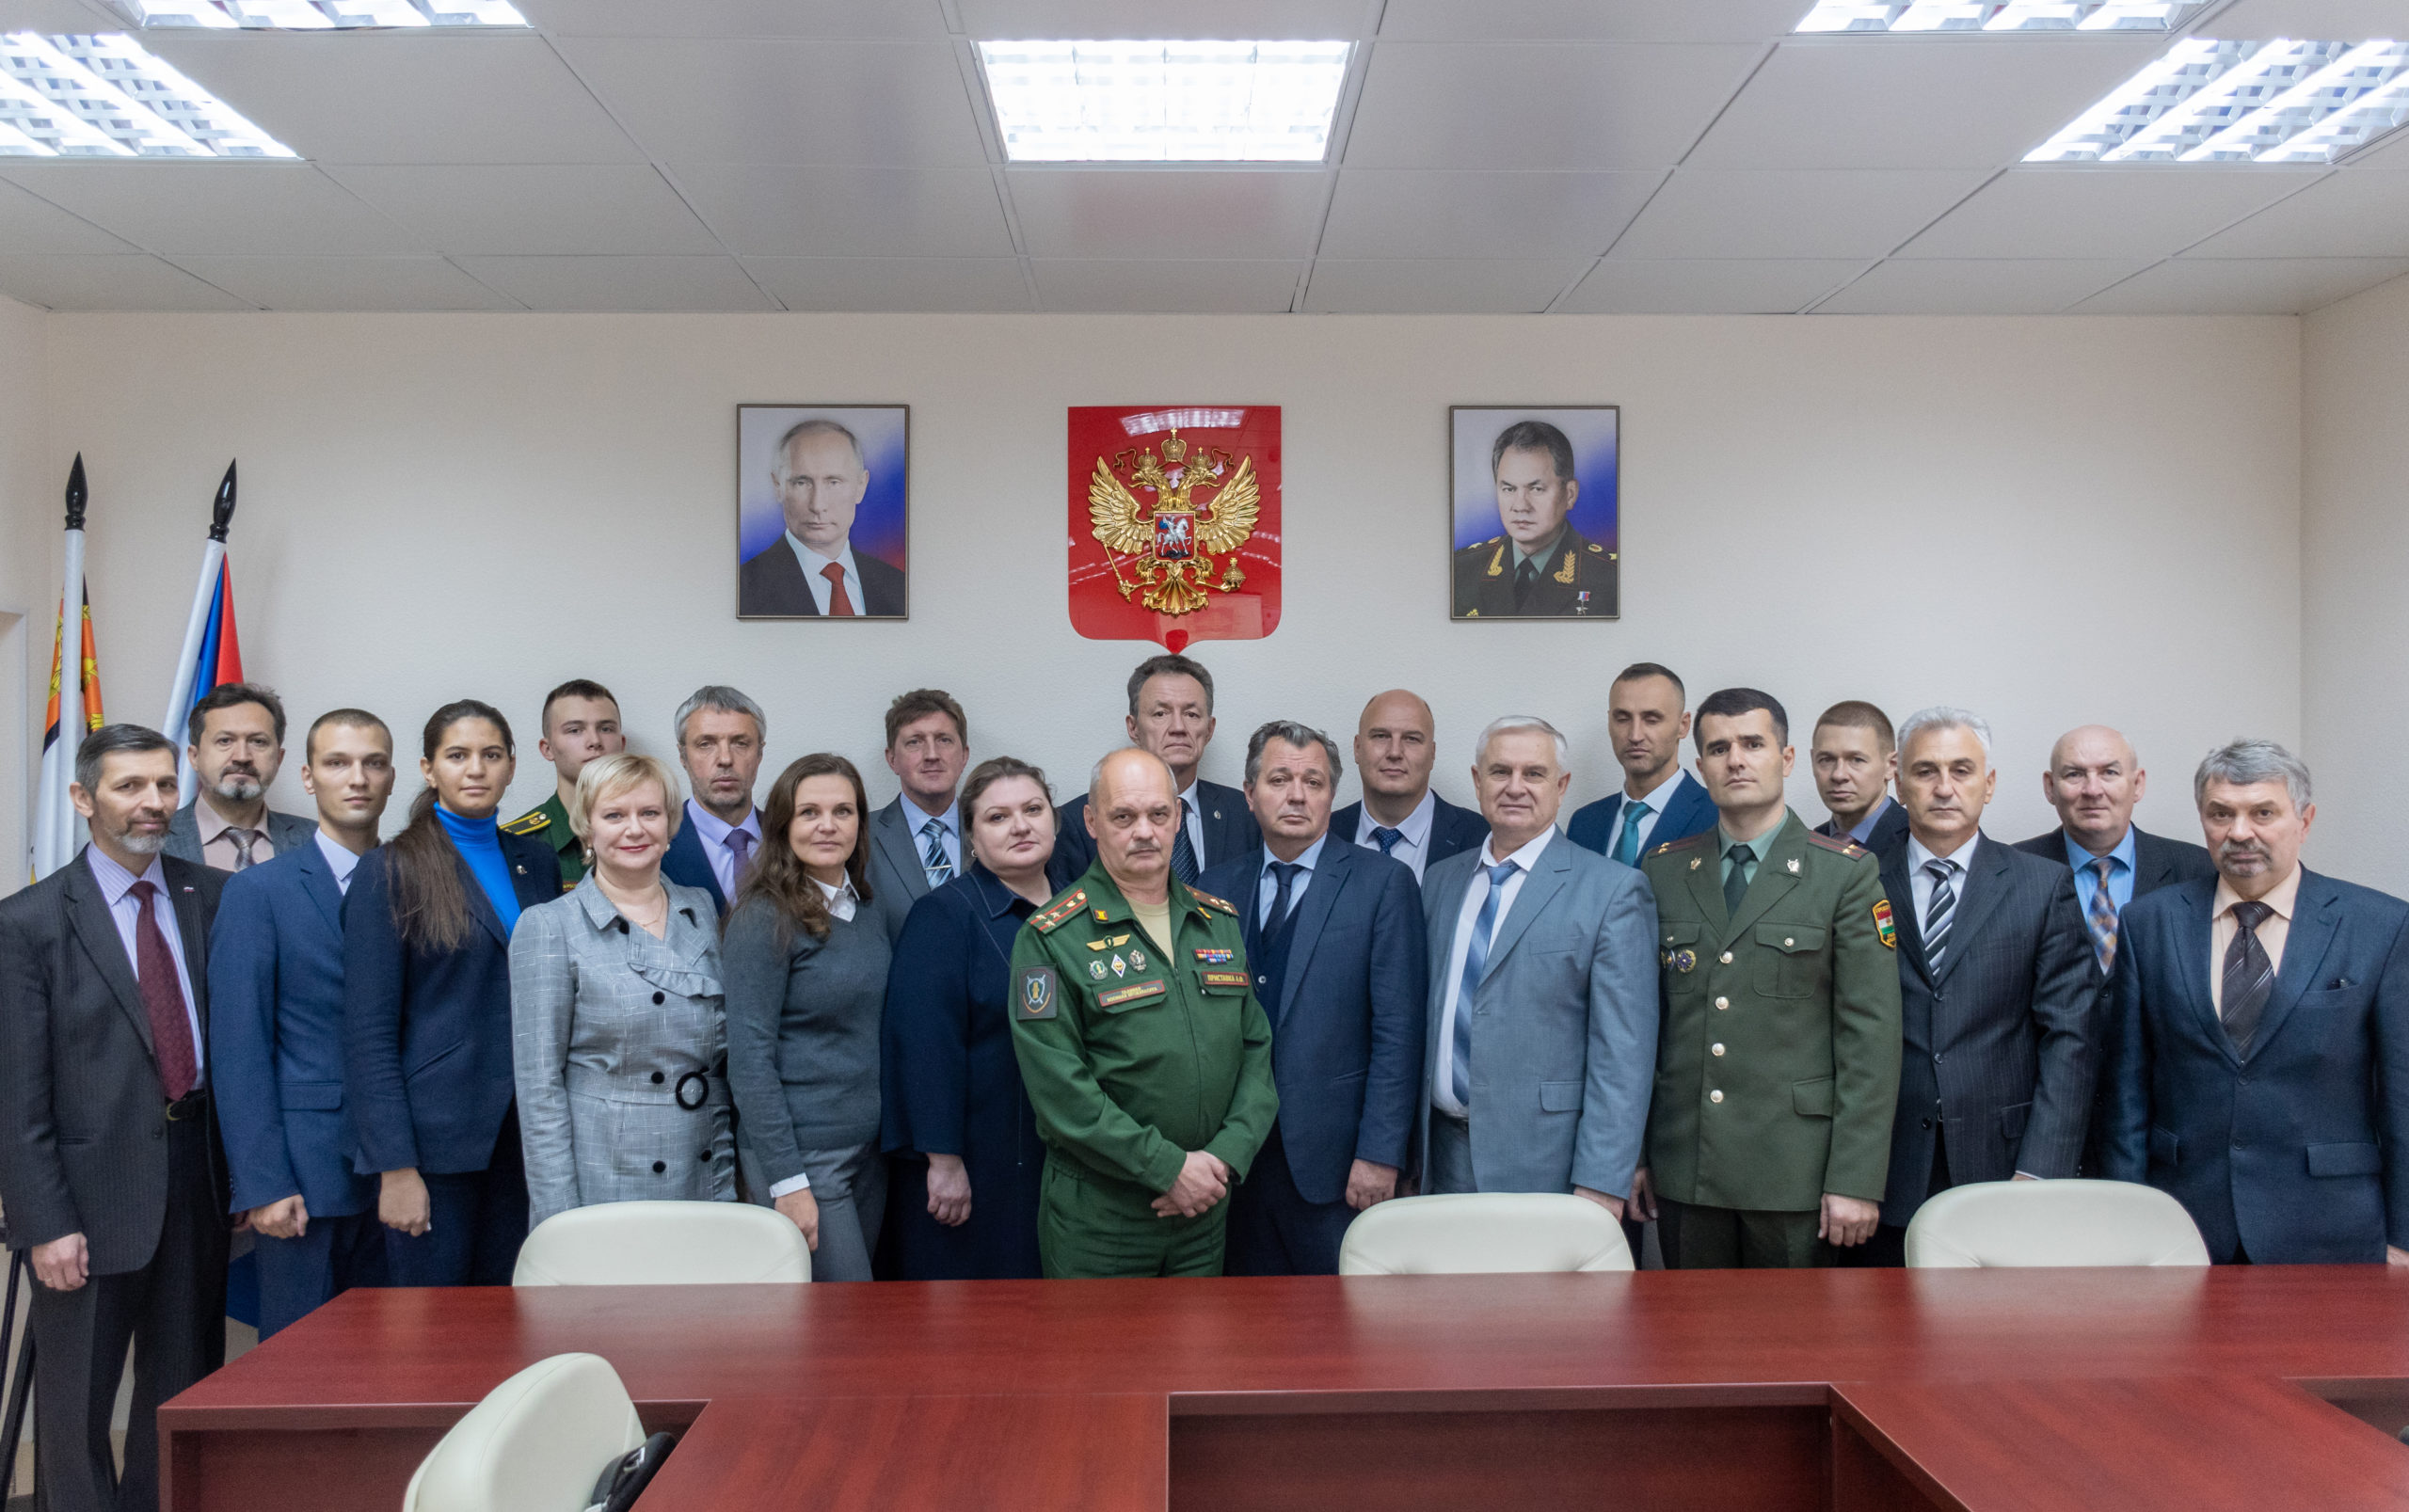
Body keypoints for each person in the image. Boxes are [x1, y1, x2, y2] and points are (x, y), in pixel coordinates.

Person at [0, 725, 228, 1512]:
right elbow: (17, 1094)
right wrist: (44, 1223)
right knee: (77, 1413)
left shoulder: (212, 896)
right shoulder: (28, 921)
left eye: (164, 784)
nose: (153, 801)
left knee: (181, 1398)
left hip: (197, 1186)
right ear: (82, 797)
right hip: (85, 1206)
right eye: (130, 786)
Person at [2105, 740, 2409, 1266]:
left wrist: (2404, 1238)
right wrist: (2127, 1224)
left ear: (2304, 820)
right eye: (2221, 814)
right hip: (2184, 1222)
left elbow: (2402, 1096)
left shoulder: (2380, 925)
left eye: (2263, 813)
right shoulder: (2149, 922)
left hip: (2332, 1226)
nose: (2240, 832)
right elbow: (2126, 1091)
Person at [1634, 689, 1901, 1269]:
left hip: (1795, 1174)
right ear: (1700, 764)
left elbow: (1871, 1043)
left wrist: (1855, 1179)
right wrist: (1635, 1153)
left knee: (1793, 1330)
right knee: (1691, 1326)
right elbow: (1642, 1029)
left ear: (1786, 758)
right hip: (1687, 1166)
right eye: (1718, 748)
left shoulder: (1843, 875)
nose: (1735, 760)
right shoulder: (1664, 870)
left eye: (1753, 744)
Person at [1010, 748, 1277, 1279]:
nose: (1144, 832)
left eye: (1158, 814)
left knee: (1201, 1337)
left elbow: (1255, 1051)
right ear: (1091, 822)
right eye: (1123, 816)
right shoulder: (1051, 937)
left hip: (1205, 1208)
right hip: (1104, 1219)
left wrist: (1223, 1159)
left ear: (1177, 818)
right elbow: (1061, 1091)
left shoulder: (1217, 922)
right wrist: (1168, 1168)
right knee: (1100, 1339)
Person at [1859, 708, 2098, 1266]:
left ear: (1988, 785)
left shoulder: (2043, 887)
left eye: (1962, 771)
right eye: (1925, 771)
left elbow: (2071, 1039)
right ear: (1898, 783)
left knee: (1994, 1322)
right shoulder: (1857, 880)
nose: (1944, 788)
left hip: (2005, 1166)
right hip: (1882, 1168)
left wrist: (2041, 1168)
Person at [344, 701, 560, 1287]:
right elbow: (368, 1035)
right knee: (434, 1327)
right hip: (434, 1148)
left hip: (526, 1141)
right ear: (429, 768)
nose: (476, 769)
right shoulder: (391, 869)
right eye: (458, 755)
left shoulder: (536, 861)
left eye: (491, 755)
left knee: (513, 1316)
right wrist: (395, 1167)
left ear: (512, 766)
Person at [1198, 722, 1426, 1275]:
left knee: (1339, 1319)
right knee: (1243, 1317)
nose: (1297, 795)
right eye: (1279, 780)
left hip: (1336, 1166)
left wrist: (1380, 1154)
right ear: (1250, 794)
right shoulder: (1213, 888)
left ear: (1331, 794)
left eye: (1313, 782)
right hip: (1231, 1161)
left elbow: (1399, 1033)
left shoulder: (1382, 883)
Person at [208, 709, 395, 1338]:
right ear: (309, 777)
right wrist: (262, 1182)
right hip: (305, 1176)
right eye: (338, 763)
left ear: (392, 777)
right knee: (301, 1367)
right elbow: (239, 1049)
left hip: (406, 1175)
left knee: (401, 1363)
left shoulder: (420, 881)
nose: (357, 778)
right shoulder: (259, 892)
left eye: (372, 763)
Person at [1419, 717, 1654, 1214]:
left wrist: (1602, 1180)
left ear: (1561, 786)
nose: (1515, 787)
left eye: (1534, 773)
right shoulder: (1440, 882)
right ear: (1477, 781)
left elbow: (1624, 1054)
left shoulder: (1612, 890)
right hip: (1439, 1156)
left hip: (1549, 1163)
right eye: (1500, 771)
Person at [509, 753, 731, 1231]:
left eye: (650, 813)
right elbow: (539, 1088)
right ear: (586, 828)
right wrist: (558, 1220)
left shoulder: (701, 909)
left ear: (670, 826)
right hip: (608, 1175)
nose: (635, 829)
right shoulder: (549, 926)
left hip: (706, 1165)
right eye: (614, 815)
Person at [881, 757, 1061, 1280]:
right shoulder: (944, 915)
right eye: (997, 817)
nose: (1020, 826)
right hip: (980, 1161)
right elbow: (924, 1047)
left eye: (1033, 810)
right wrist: (944, 1160)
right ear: (971, 838)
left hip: (1067, 1157)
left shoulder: (1084, 908)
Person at [721, 755, 890, 1281]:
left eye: (843, 811)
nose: (827, 825)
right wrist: (788, 1182)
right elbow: (748, 1060)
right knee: (841, 1316)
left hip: (867, 1149)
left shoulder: (865, 908)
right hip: (803, 1158)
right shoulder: (763, 916)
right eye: (809, 812)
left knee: (861, 1312)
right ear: (782, 825)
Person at [2013, 724, 2217, 977]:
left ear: (2138, 784)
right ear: (2050, 787)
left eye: (2109, 772)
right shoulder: (2011, 872)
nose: (2093, 790)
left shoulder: (2198, 870)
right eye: (2074, 774)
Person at [1055, 653, 1258, 881]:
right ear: (1133, 728)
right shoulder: (1076, 821)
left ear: (1209, 729)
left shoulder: (1245, 813)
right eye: (1161, 713)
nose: (1178, 727)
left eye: (1191, 714)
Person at [737, 417, 906, 617]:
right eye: (801, 483)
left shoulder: (898, 586)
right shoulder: (743, 588)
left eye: (833, 482)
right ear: (778, 487)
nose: (817, 505)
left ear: (861, 486)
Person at [1450, 419, 1615, 618]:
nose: (1520, 506)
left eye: (1536, 489)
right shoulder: (1461, 569)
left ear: (1570, 494)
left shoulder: (1610, 576)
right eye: (1509, 489)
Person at [1566, 663, 1717, 866]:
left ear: (1683, 726)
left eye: (1651, 720)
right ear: (1609, 722)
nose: (1635, 735)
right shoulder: (1584, 823)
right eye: (1622, 719)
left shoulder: (1718, 817)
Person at [1332, 689, 1487, 883]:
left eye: (1411, 739)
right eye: (1381, 736)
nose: (1394, 752)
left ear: (1432, 753)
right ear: (1357, 748)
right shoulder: (1325, 833)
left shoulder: (1481, 837)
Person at [165, 681, 314, 870]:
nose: (242, 757)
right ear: (194, 757)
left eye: (258, 742)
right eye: (225, 741)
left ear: (278, 758)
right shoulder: (156, 839)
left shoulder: (315, 841)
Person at [865, 688, 972, 943]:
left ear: (964, 756)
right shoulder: (861, 836)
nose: (932, 755)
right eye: (915, 742)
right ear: (892, 759)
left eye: (944, 740)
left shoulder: (992, 829)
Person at [502, 678, 626, 893]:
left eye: (606, 728)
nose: (595, 741)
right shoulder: (514, 844)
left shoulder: (650, 834)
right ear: (547, 748)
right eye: (575, 730)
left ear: (622, 744)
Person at [661, 685, 767, 915]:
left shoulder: (792, 837)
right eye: (705, 744)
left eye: (741, 743)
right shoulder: (656, 843)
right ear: (682, 756)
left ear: (760, 753)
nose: (725, 759)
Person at [1811, 700, 1908, 854]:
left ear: (1891, 765)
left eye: (1856, 760)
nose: (1838, 775)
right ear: (1813, 761)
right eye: (1827, 760)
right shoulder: (1806, 846)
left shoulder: (1918, 841)